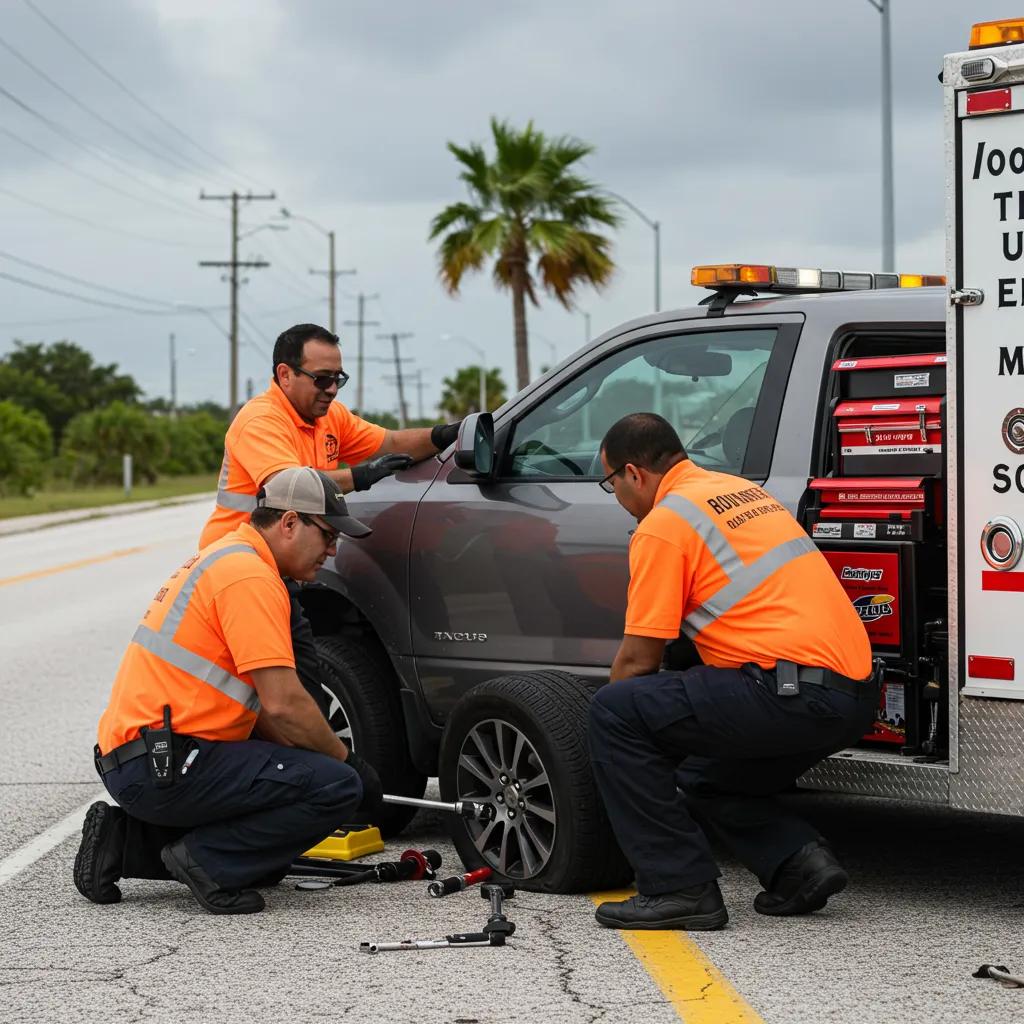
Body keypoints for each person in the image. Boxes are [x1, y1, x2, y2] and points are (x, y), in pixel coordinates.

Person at [588, 413, 878, 931]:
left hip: (787, 691)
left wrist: (614, 759)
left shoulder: (664, 525)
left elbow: (638, 663)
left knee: (614, 712)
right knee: (706, 776)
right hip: (852, 695)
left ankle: (678, 889)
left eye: (610, 483)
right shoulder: (738, 491)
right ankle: (800, 865)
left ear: (633, 473)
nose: (615, 495)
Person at [74, 467, 384, 915]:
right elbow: (284, 703)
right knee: (332, 788)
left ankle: (122, 844)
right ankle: (207, 863)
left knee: (266, 856)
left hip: (142, 758)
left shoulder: (226, 557)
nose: (333, 550)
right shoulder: (250, 578)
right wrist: (347, 763)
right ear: (290, 522)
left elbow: (260, 710)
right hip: (165, 763)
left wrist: (311, 757)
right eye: (328, 535)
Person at [198, 322, 464, 716]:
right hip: (236, 569)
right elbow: (288, 485)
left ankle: (313, 763)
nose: (332, 390)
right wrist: (361, 476)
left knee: (296, 679)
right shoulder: (261, 421)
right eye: (322, 379)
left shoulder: (329, 418)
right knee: (249, 689)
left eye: (338, 378)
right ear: (284, 375)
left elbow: (389, 442)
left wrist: (449, 434)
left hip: (279, 568)